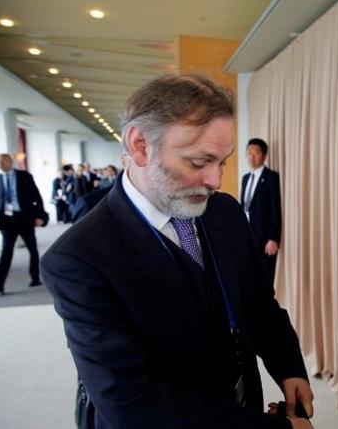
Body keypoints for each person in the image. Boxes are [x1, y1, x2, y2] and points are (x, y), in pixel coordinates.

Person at [42, 75, 314, 429]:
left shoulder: (226, 212)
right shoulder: (77, 258)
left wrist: (288, 365)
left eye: (223, 162)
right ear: (140, 146)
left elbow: (259, 305)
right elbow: (134, 403)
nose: (215, 181)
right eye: (198, 163)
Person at [0, 153, 47, 293]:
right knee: (6, 252)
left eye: (1, 161)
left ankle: (35, 277)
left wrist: (40, 216)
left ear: (10, 162)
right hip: (7, 220)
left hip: (24, 218)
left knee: (32, 248)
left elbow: (36, 196)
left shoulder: (24, 176)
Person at [240, 138, 282, 286]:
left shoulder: (272, 178)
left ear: (264, 156)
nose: (252, 157)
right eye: (249, 153)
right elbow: (244, 207)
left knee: (265, 279)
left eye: (256, 153)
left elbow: (275, 208)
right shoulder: (245, 178)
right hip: (247, 236)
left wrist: (273, 238)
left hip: (265, 238)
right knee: (250, 277)